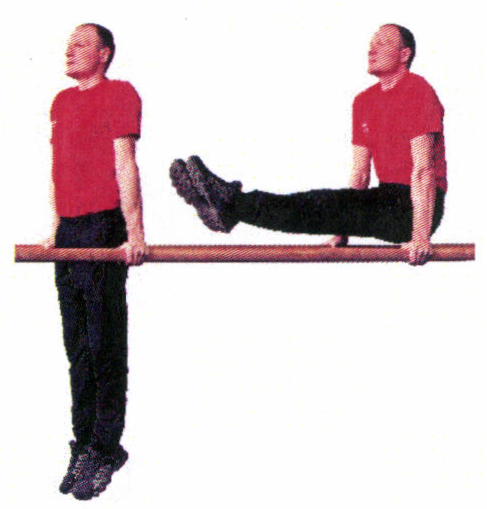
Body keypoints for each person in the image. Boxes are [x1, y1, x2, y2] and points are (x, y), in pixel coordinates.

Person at [170, 24, 447, 266]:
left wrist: (420, 236)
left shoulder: (418, 90)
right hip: (383, 200)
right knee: (317, 202)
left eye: (383, 43)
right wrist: (342, 229)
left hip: (417, 208)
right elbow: (361, 173)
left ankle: (228, 203)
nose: (372, 50)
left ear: (404, 54)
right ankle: (228, 206)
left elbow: (424, 170)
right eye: (371, 44)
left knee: (320, 205)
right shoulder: (364, 101)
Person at [43, 23, 146, 500]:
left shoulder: (119, 93)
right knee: (78, 349)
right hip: (69, 230)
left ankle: (105, 449)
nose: (70, 51)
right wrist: (54, 229)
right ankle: (84, 442)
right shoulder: (61, 103)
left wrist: (135, 232)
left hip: (102, 227)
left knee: (104, 345)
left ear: (103, 54)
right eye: (68, 44)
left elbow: (125, 164)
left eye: (81, 44)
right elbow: (58, 170)